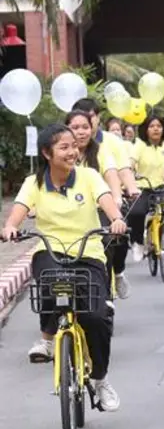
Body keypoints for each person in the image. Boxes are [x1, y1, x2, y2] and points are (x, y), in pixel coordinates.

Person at [1, 124, 127, 411]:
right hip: (51, 249)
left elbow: (106, 201)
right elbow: (18, 212)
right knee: (48, 281)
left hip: (88, 252)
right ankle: (48, 339)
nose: (72, 152)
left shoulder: (89, 176)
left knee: (97, 317)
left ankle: (100, 379)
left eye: (74, 146)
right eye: (64, 147)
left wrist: (116, 219)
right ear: (47, 153)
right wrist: (10, 227)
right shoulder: (34, 183)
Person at [71, 98, 139, 295]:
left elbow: (119, 171)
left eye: (88, 120)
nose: (82, 129)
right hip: (73, 207)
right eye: (76, 125)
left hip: (105, 203)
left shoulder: (108, 145)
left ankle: (116, 274)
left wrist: (127, 190)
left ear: (98, 118)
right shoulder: (64, 146)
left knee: (114, 236)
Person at [127, 114, 164, 262]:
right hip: (144, 187)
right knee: (136, 212)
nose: (156, 129)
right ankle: (138, 243)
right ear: (146, 129)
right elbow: (130, 163)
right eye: (152, 126)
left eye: (159, 126)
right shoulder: (140, 145)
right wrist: (129, 174)